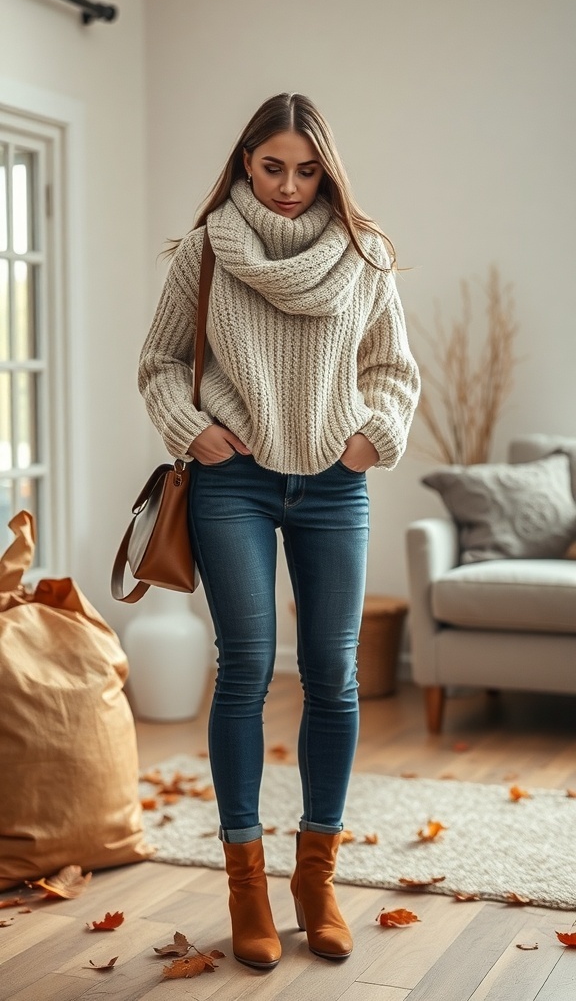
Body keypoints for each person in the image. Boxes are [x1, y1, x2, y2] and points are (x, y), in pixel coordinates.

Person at [138, 92, 420, 970]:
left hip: (335, 485)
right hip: (236, 485)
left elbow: (392, 369)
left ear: (326, 169)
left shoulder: (365, 255)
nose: (290, 186)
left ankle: (315, 876)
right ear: (245, 163)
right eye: (273, 167)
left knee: (334, 677)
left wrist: (374, 436)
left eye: (307, 169)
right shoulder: (205, 252)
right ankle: (246, 882)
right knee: (248, 669)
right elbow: (156, 363)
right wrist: (193, 433)